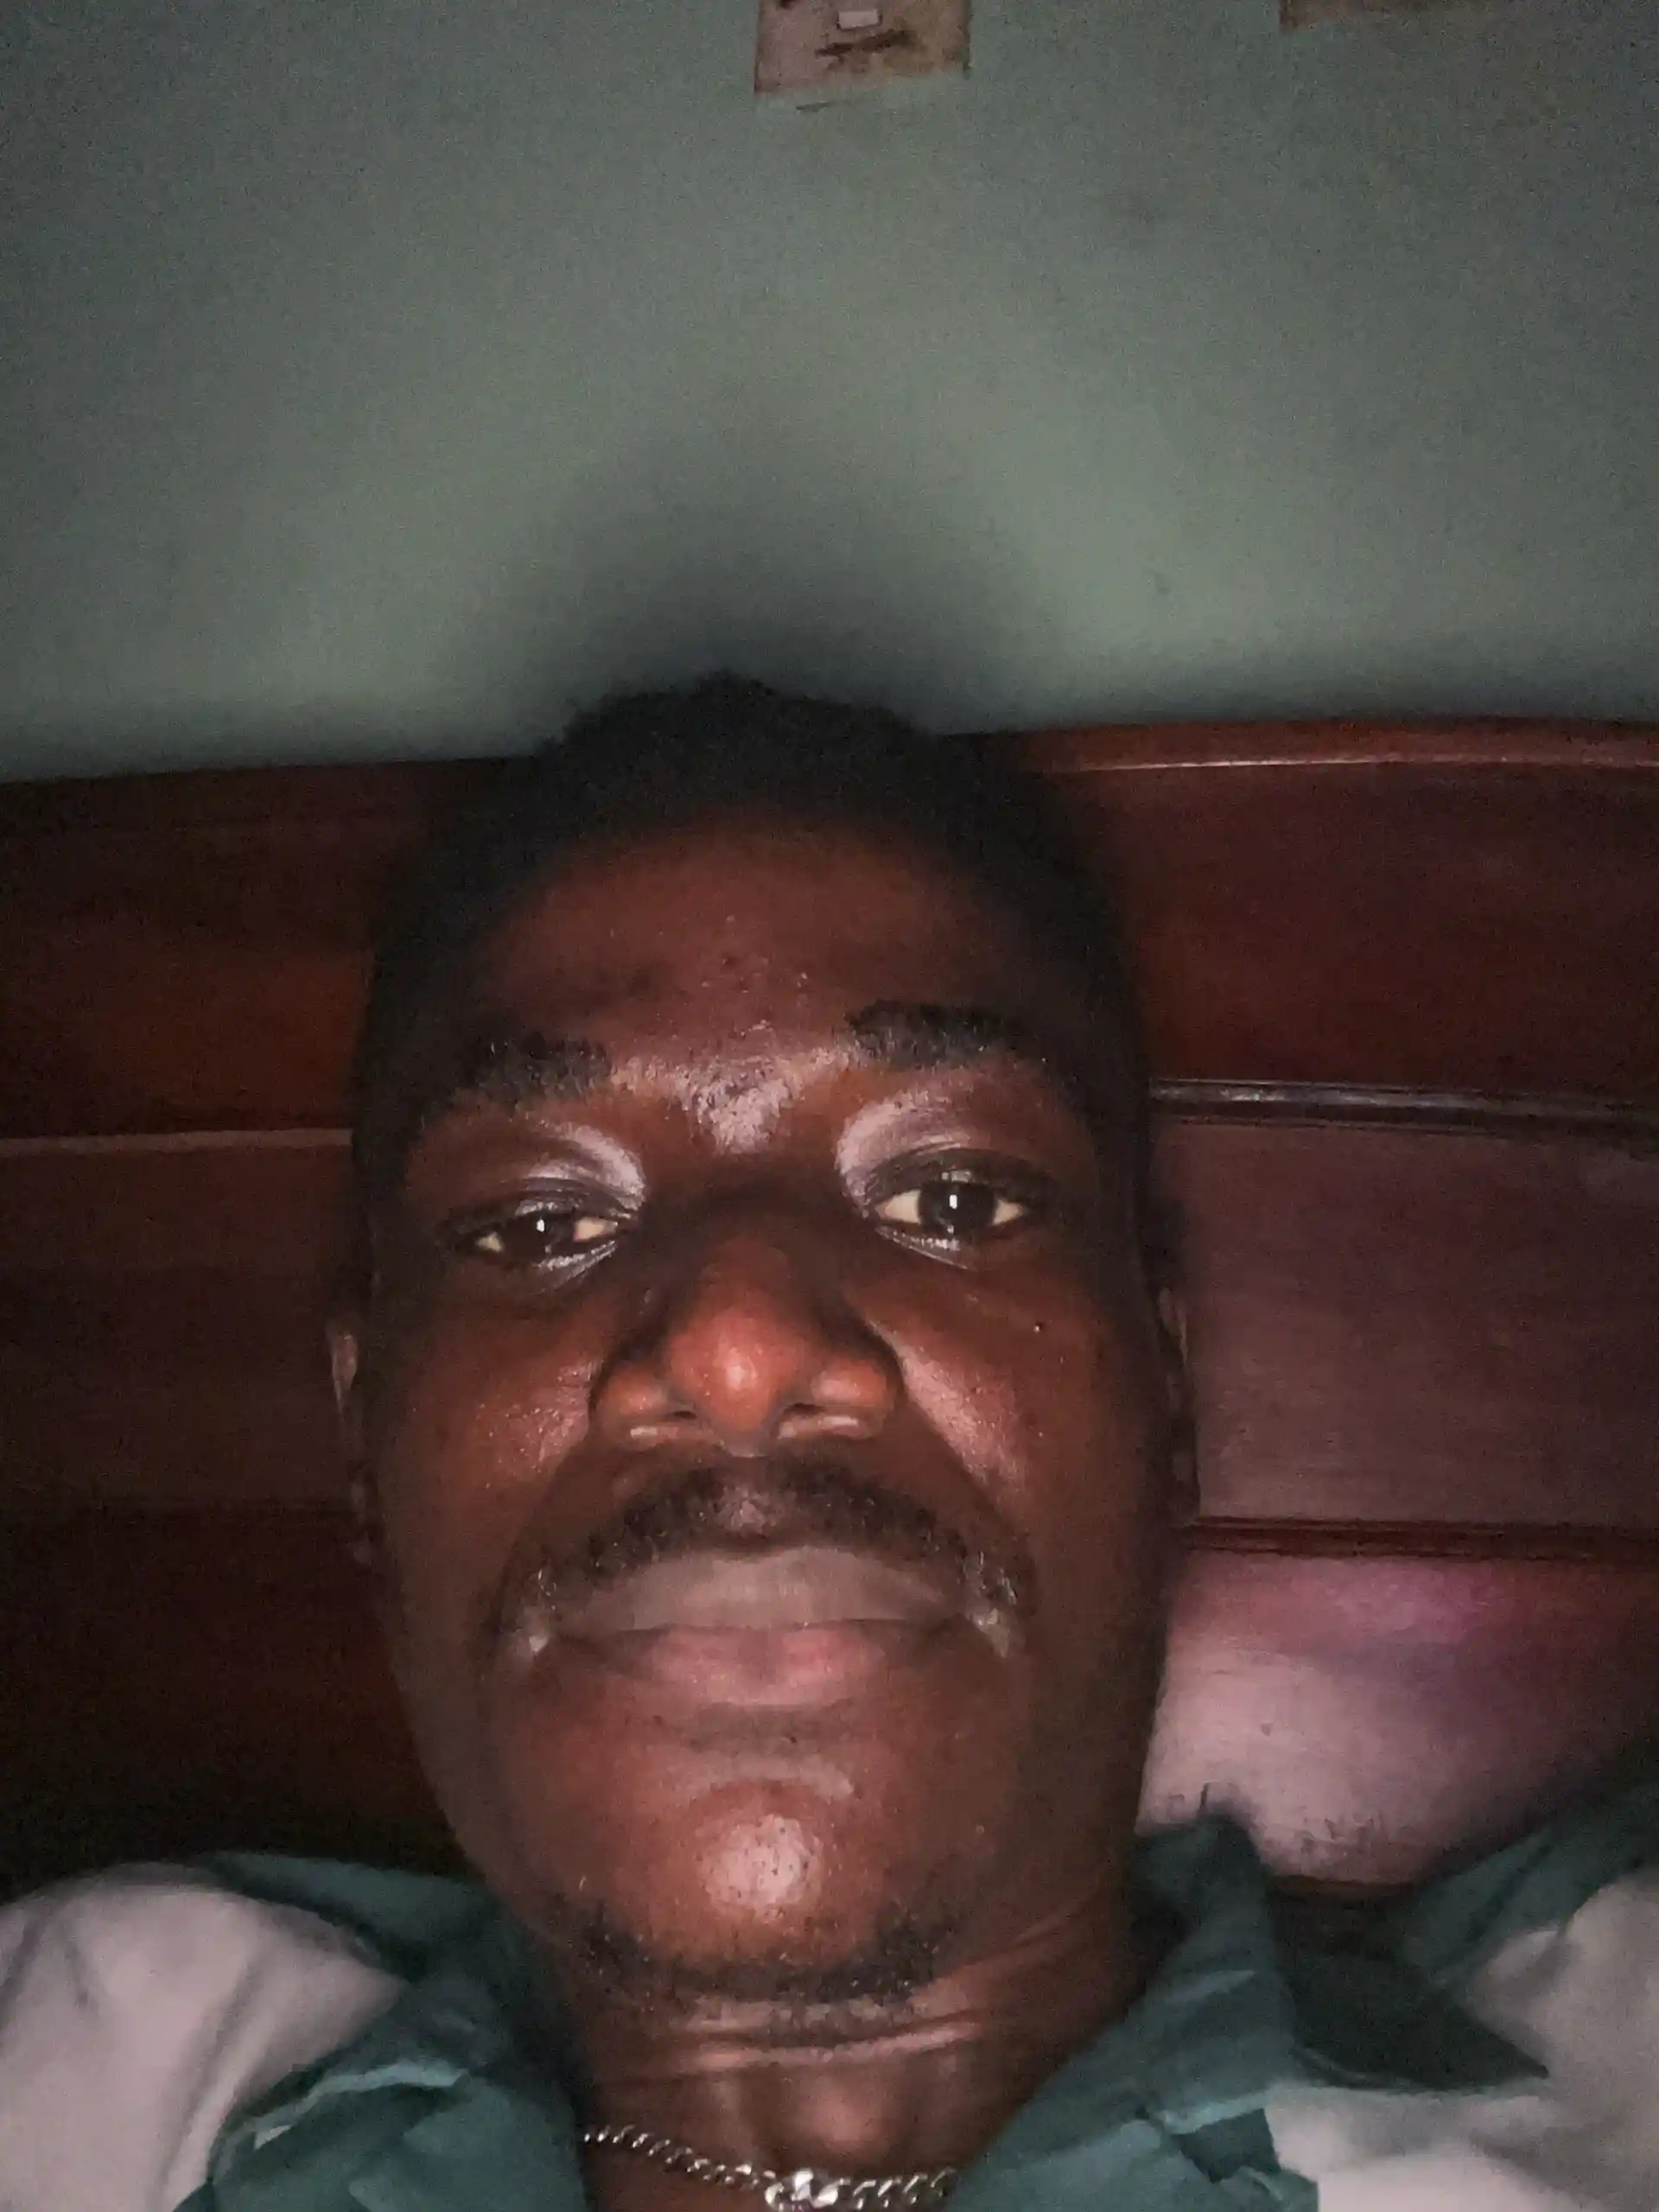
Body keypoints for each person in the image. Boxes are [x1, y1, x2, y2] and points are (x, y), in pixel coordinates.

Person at [3, 680, 1657, 2212]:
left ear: (1164, 1393)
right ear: (366, 1437)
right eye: (538, 1224)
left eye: (956, 1199)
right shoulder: (94, 2073)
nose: (737, 1349)